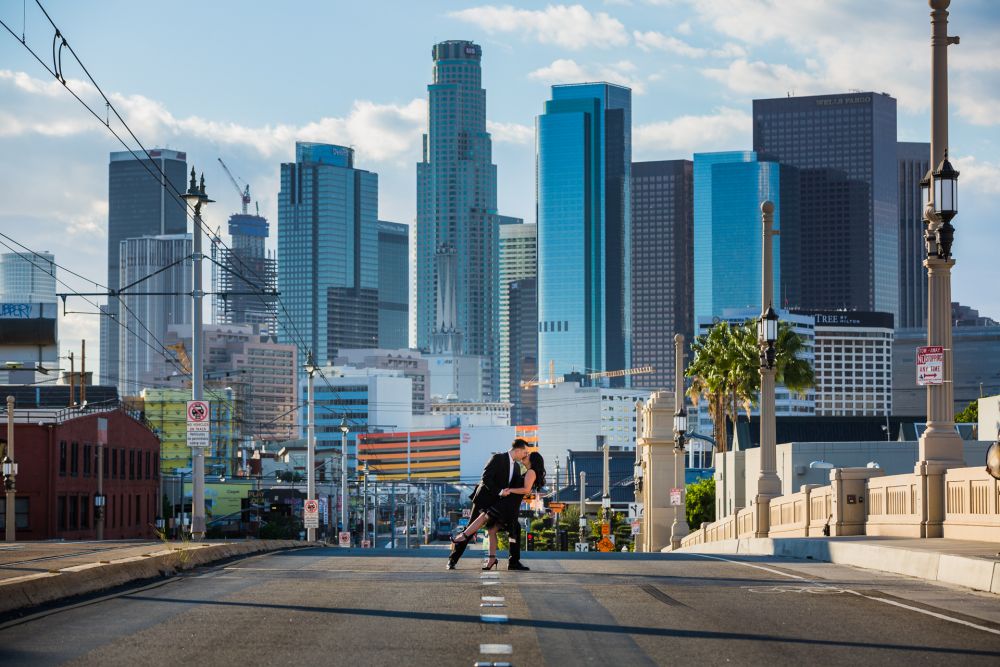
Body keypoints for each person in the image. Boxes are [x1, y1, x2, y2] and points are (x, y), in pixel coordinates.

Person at [449, 446, 546, 572]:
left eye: (527, 455)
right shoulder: (520, 469)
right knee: (491, 530)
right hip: (504, 502)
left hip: (508, 505)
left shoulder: (530, 472)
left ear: (532, 460)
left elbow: (526, 489)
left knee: (485, 518)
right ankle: (492, 559)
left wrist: (510, 490)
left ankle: (463, 536)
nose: (525, 455)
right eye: (524, 453)